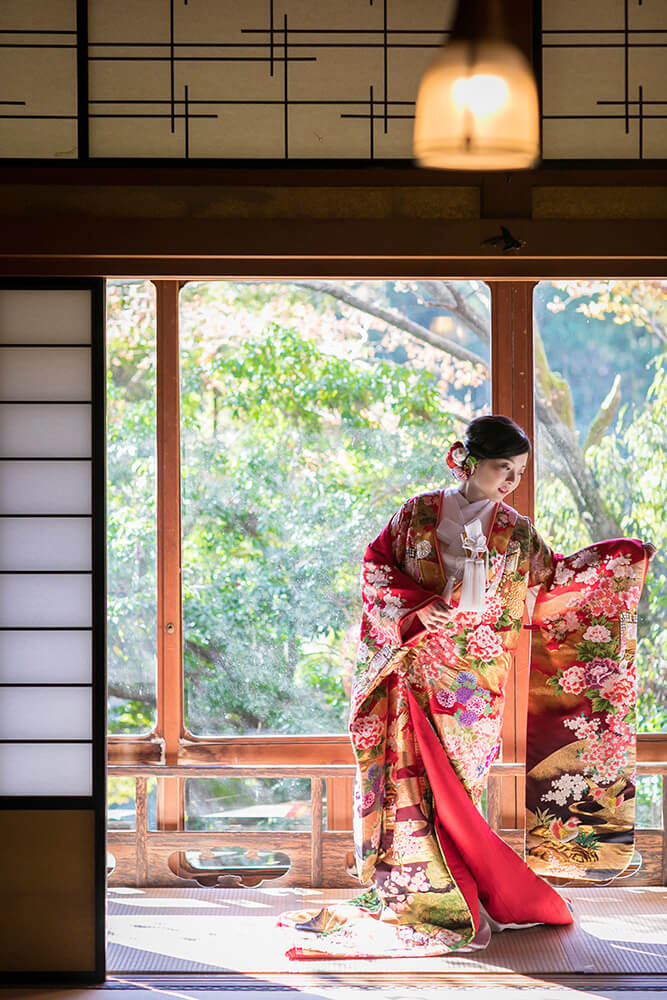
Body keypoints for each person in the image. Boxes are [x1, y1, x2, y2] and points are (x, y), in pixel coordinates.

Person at [279, 415, 654, 959]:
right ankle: (414, 897)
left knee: (458, 789)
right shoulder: (418, 513)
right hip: (412, 665)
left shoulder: (518, 531)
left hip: (475, 681)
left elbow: (556, 583)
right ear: (470, 460)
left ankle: (464, 893)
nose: (511, 481)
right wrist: (415, 607)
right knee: (406, 782)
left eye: (520, 472)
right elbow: (375, 568)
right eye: (504, 467)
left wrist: (617, 564)